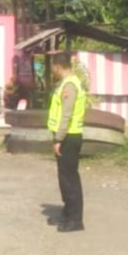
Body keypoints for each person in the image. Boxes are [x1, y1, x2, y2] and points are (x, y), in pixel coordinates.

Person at [47, 52, 87, 232]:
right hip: (68, 136)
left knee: (69, 179)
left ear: (57, 66)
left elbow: (66, 115)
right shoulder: (68, 83)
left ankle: (75, 220)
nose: (52, 70)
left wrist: (58, 139)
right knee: (65, 177)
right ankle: (68, 212)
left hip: (69, 137)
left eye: (52, 67)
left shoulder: (69, 86)